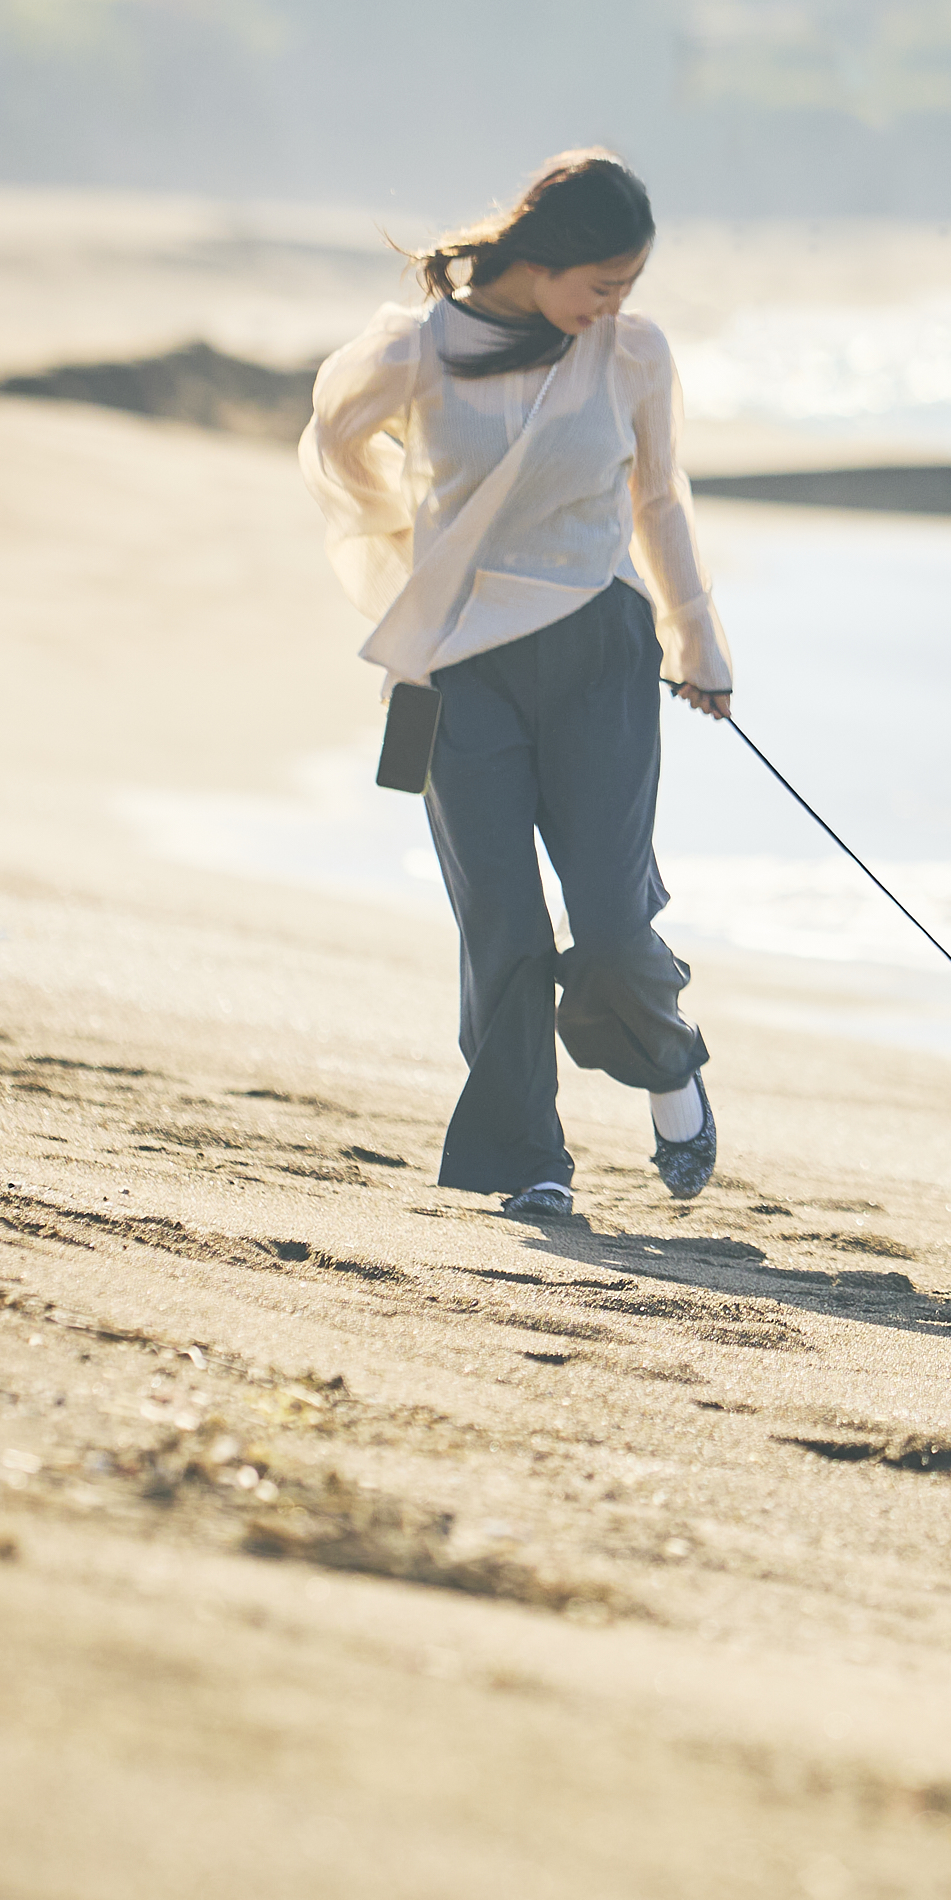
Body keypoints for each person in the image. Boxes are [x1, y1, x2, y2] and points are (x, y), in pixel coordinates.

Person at [295, 150, 732, 1221]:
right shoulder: (418, 349)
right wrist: (419, 560)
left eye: (629, 286)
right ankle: (526, 1159)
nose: (614, 305)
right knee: (502, 923)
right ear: (537, 259)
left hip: (600, 650)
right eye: (600, 283)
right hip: (461, 666)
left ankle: (670, 1070)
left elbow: (659, 500)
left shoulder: (629, 352)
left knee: (614, 923)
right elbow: (336, 446)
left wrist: (699, 638)